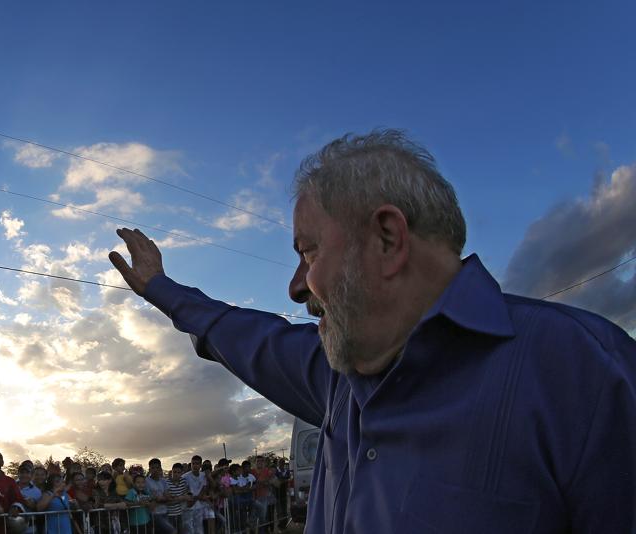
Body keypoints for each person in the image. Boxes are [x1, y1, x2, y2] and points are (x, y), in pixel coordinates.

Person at [109, 129, 636, 533]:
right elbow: (247, 336)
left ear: (386, 239)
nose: (296, 287)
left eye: (307, 251)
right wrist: (160, 287)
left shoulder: (583, 374)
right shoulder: (336, 376)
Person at [143, 459, 175, 534]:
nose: (155, 470)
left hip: (165, 511)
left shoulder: (163, 481)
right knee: (172, 531)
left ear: (160, 468)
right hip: (154, 514)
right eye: (153, 468)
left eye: (157, 468)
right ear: (149, 469)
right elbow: (150, 497)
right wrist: (159, 498)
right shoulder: (146, 481)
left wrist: (160, 498)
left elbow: (168, 496)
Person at [180, 457, 207, 534]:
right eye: (193, 463)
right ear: (191, 464)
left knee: (199, 529)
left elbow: (204, 487)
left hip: (198, 506)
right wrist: (195, 498)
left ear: (200, 465)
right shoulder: (185, 477)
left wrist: (198, 497)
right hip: (188, 507)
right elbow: (184, 491)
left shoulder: (203, 475)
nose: (195, 465)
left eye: (197, 463)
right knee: (189, 530)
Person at [163, 465, 190, 534]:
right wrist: (181, 498)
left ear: (181, 473)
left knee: (181, 531)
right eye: (174, 472)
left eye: (178, 472)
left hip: (180, 513)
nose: (176, 474)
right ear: (171, 471)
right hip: (170, 514)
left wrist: (177, 498)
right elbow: (168, 501)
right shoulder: (166, 482)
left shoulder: (183, 481)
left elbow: (187, 495)